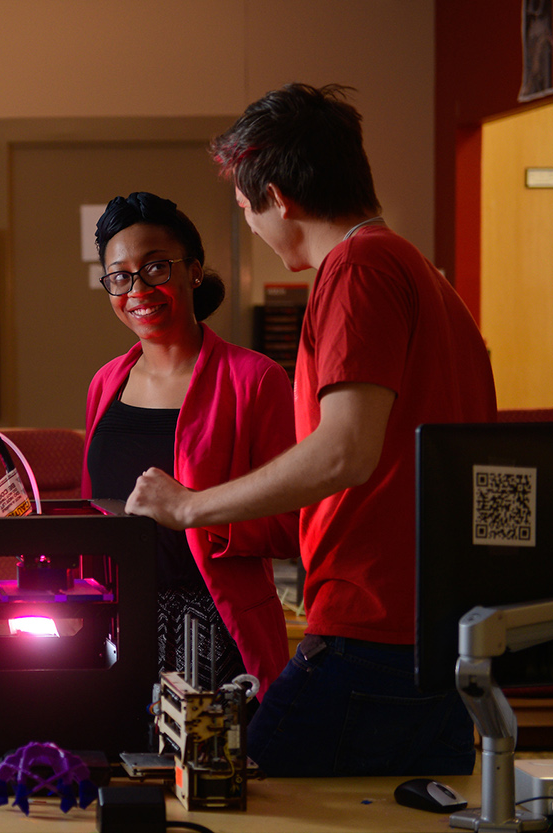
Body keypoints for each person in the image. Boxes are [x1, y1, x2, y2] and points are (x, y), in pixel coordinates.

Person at [125, 83, 497, 777]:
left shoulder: (356, 269)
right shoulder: (429, 278)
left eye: (246, 208)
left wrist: (188, 505)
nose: (255, 230)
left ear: (280, 199)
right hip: (439, 634)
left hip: (371, 630)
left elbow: (346, 451)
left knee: (234, 796)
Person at [82, 192, 294, 701]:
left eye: (156, 267)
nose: (138, 289)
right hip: (116, 630)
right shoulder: (106, 382)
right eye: (120, 275)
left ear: (194, 271)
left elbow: (293, 526)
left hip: (217, 629)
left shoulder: (254, 380)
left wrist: (193, 511)